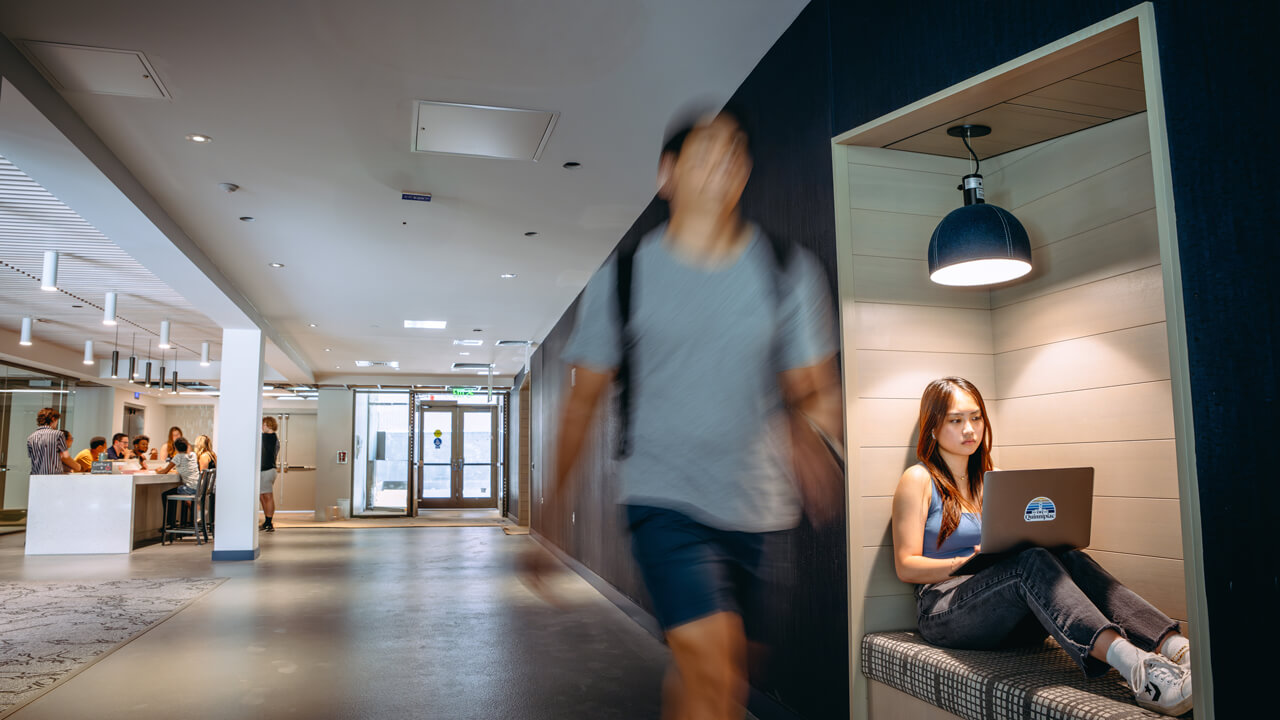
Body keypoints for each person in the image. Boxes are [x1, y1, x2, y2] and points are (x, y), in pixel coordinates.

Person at [526, 105, 842, 720]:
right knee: (712, 668)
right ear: (666, 175)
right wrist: (547, 521)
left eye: (734, 154)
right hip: (664, 500)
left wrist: (811, 435)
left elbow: (814, 389)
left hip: (760, 507)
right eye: (705, 154)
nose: (721, 166)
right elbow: (582, 403)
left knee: (724, 677)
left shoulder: (787, 273)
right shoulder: (622, 279)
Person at [891, 377, 1192, 716]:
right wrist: (963, 562)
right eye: (955, 420)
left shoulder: (996, 479)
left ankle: (1177, 648)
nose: (969, 429)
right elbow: (906, 565)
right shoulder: (918, 479)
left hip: (1011, 616)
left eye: (975, 418)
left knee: (1067, 556)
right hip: (943, 609)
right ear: (933, 428)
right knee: (1030, 561)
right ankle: (1138, 667)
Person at [158, 437, 199, 530]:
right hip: (198, 487)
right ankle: (182, 521)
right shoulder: (193, 455)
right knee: (176, 491)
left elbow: (165, 471)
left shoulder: (178, 457)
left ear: (175, 448)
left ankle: (169, 523)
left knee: (166, 495)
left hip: (189, 488)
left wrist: (157, 471)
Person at [26, 408, 79, 475]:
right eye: (57, 421)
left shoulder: (31, 437)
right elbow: (66, 456)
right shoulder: (58, 434)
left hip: (36, 477)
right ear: (53, 419)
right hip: (53, 477)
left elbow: (32, 457)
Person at [260, 417, 280, 532]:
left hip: (267, 471)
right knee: (262, 496)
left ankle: (268, 522)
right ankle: (267, 520)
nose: (262, 427)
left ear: (268, 424)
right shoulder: (274, 439)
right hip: (267, 470)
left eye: (263, 424)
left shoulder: (268, 437)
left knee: (267, 496)